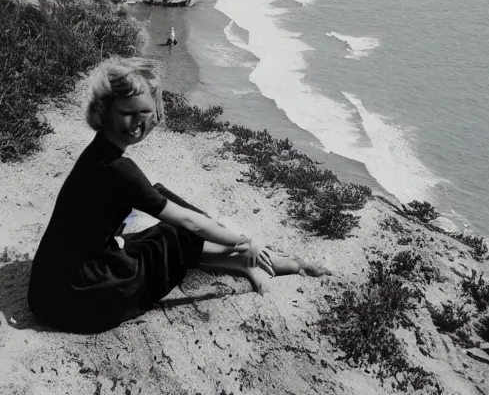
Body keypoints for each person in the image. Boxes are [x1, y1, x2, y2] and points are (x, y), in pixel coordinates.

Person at [28, 57, 326, 333]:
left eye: (144, 111)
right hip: (81, 300)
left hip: (48, 294)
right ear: (104, 113)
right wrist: (246, 240)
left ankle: (246, 261)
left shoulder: (99, 153)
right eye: (127, 113)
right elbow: (189, 223)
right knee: (176, 234)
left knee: (156, 219)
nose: (136, 123)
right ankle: (258, 259)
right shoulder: (118, 169)